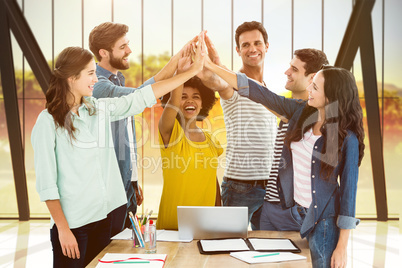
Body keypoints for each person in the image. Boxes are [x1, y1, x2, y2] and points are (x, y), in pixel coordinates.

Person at [31, 44, 205, 267]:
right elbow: (47, 184)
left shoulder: (97, 110)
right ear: (71, 78)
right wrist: (63, 230)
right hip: (74, 225)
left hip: (105, 219)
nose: (96, 79)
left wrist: (188, 72)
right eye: (90, 73)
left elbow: (141, 98)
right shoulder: (47, 122)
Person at [204, 56, 365, 267]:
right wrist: (209, 65)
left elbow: (348, 195)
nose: (309, 88)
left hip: (322, 220)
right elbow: (258, 92)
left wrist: (342, 246)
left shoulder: (347, 139)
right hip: (281, 212)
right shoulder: (299, 111)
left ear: (331, 97)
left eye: (315, 87)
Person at [89, 22, 186, 236]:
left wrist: (132, 180)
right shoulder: (98, 85)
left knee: (126, 249)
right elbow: (140, 97)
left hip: (125, 185)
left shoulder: (117, 79)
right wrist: (177, 65)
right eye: (122, 46)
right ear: (104, 53)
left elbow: (126, 138)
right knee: (110, 249)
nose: (129, 51)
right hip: (109, 189)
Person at [198, 21, 277, 230]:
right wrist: (207, 63)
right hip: (241, 187)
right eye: (245, 45)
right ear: (238, 50)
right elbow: (213, 80)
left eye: (257, 43)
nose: (252, 49)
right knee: (228, 249)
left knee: (269, 252)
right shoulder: (233, 85)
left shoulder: (269, 90)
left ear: (266, 46)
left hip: (270, 187)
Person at [260, 48, 329, 231]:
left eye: (294, 69)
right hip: (270, 204)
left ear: (312, 77)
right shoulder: (289, 108)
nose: (287, 72)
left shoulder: (316, 115)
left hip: (294, 210)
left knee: (298, 259)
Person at [156, 45, 222, 230]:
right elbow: (173, 103)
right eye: (183, 96)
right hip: (173, 223)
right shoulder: (170, 132)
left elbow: (212, 179)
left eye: (196, 97)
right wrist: (181, 73)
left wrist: (219, 210)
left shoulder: (210, 139)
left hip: (206, 223)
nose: (190, 101)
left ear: (203, 103)